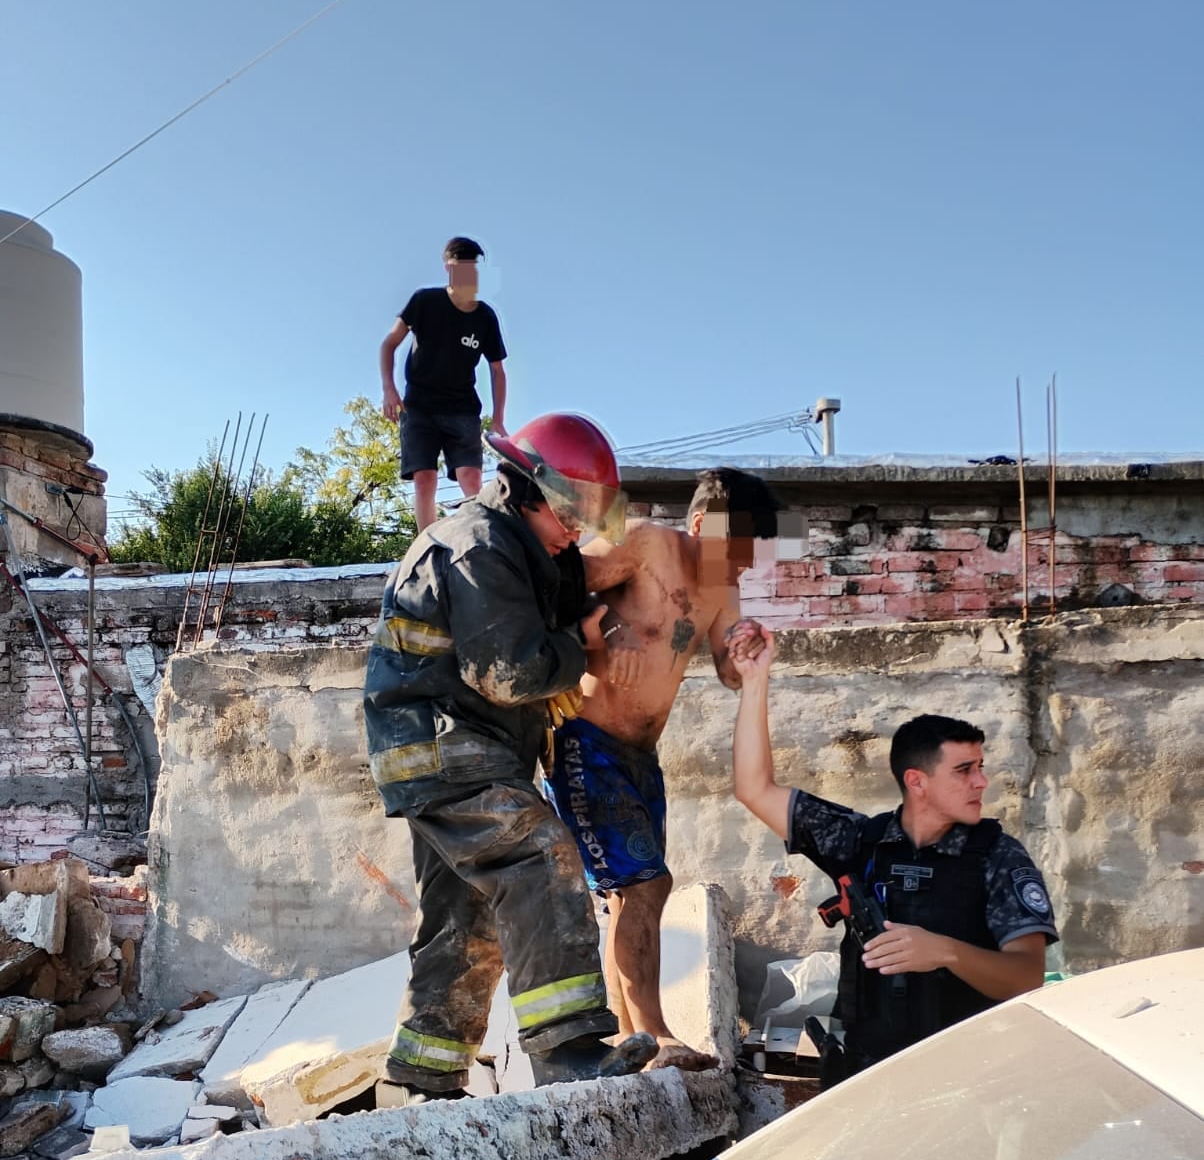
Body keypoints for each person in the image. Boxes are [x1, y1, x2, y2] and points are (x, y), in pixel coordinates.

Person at [364, 412, 659, 1103]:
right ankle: (568, 1051)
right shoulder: (476, 548)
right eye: (568, 512)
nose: (576, 529)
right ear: (527, 488)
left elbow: (564, 598)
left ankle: (424, 1076)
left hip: (467, 747)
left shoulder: (527, 547)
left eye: (587, 516)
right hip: (442, 747)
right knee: (539, 856)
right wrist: (580, 648)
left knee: (467, 915)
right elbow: (510, 673)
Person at [730, 629, 1057, 1078]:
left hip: (971, 1075)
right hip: (868, 1073)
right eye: (964, 770)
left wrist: (944, 952)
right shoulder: (861, 841)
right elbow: (755, 789)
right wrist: (754, 678)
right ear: (917, 781)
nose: (981, 782)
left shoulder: (998, 857)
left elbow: (1026, 977)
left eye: (981, 768)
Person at [540, 466, 781, 1067]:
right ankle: (655, 1032)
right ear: (701, 524)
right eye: (740, 549)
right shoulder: (646, 545)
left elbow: (728, 669)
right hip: (582, 739)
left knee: (630, 893)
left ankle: (634, 1040)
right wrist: (607, 631)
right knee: (648, 883)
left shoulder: (723, 586)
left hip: (640, 755)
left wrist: (746, 648)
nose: (744, 567)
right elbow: (557, 583)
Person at [379, 235, 508, 532]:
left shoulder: (485, 317)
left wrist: (498, 419)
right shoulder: (425, 301)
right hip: (420, 406)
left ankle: (482, 539)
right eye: (461, 268)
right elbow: (389, 343)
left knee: (471, 477)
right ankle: (427, 544)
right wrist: (389, 387)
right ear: (449, 269)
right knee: (424, 478)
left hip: (462, 408)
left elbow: (498, 370)